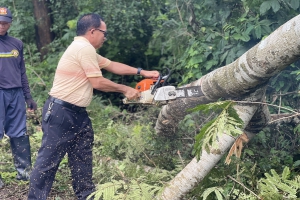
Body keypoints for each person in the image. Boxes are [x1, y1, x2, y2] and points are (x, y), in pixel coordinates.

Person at [27, 13, 159, 199]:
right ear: (92, 31)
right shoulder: (83, 49)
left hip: (77, 113)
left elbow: (112, 65)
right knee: (47, 163)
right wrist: (125, 89)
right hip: (61, 112)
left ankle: (86, 195)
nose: (105, 37)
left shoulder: (85, 49)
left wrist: (142, 72)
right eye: (104, 33)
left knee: (82, 158)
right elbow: (97, 82)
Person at [0, 7, 37, 189]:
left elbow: (22, 72)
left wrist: (28, 96)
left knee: (19, 133)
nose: (1, 25)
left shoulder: (17, 44)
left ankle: (24, 173)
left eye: (5, 22)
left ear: (10, 23)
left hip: (15, 94)